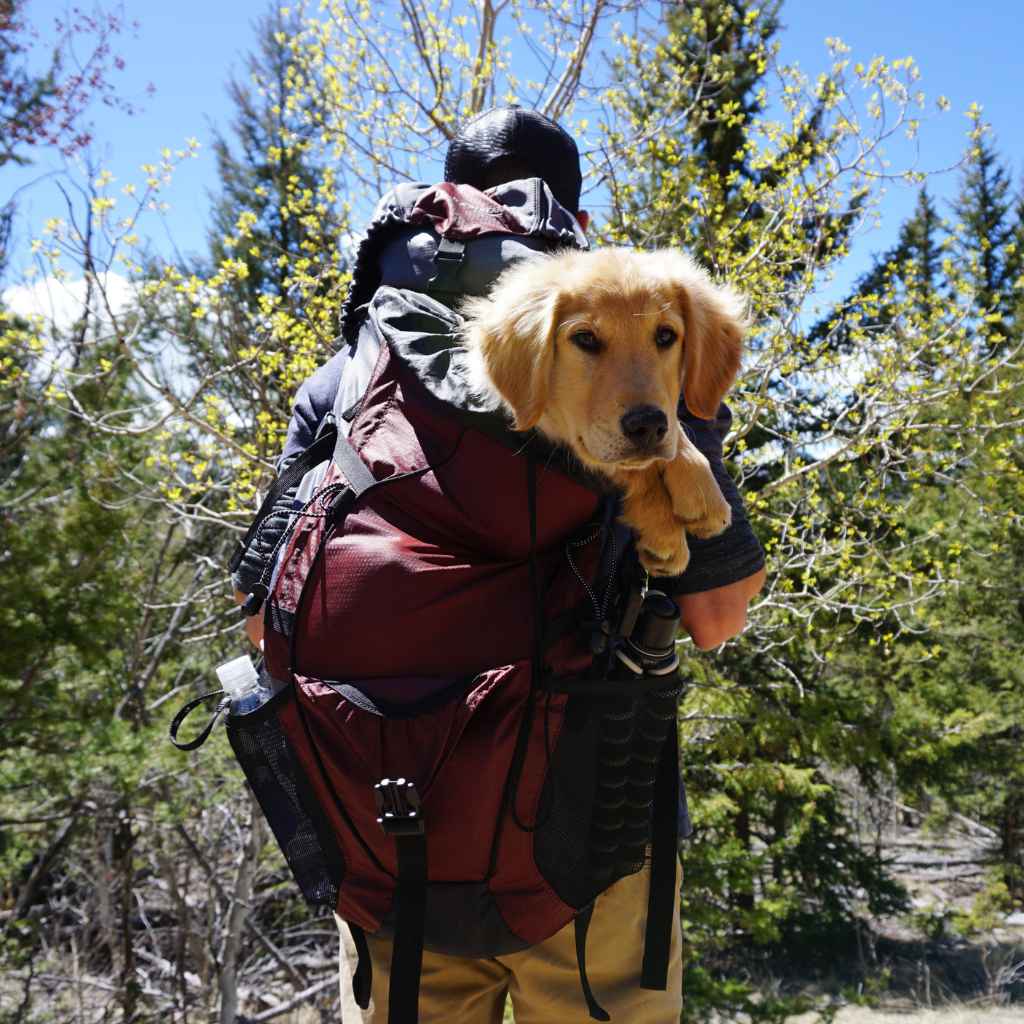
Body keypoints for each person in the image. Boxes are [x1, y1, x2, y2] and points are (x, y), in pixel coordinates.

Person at [232, 106, 765, 1022]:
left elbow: (260, 613)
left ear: (449, 208)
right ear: (578, 227)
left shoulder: (351, 377)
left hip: (393, 836)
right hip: (595, 836)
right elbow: (718, 618)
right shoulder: (643, 348)